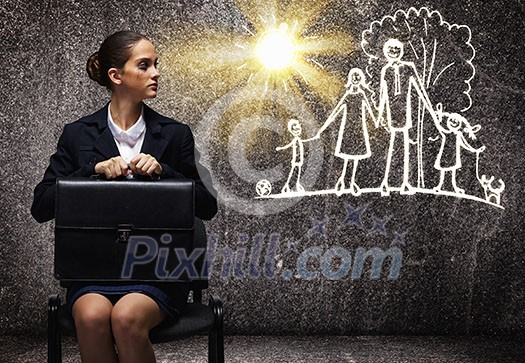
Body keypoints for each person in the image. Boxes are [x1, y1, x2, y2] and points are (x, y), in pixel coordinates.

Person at [31, 31, 217, 363]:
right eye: (144, 65)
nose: (156, 73)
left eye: (155, 64)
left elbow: (208, 205)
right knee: (90, 317)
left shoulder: (175, 134)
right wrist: (92, 170)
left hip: (157, 271)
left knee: (126, 317)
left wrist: (166, 172)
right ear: (116, 76)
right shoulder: (77, 134)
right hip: (94, 272)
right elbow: (41, 206)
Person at [311, 68, 376, 196]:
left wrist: (377, 122)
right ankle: (341, 180)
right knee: (347, 157)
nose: (355, 79)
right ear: (350, 79)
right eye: (353, 77)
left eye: (358, 77)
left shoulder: (362, 95)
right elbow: (335, 112)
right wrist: (323, 128)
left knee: (356, 158)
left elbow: (370, 110)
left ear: (361, 79)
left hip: (359, 129)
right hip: (348, 128)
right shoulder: (348, 95)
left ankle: (352, 182)